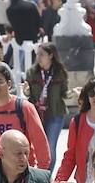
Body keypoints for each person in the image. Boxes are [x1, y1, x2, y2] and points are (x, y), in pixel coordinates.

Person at [0, 64, 50, 170]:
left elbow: (40, 141)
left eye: (0, 82)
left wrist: (43, 172)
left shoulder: (24, 108)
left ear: (9, 84)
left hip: (22, 170)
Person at [23, 43, 69, 171]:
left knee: (50, 146)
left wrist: (75, 95)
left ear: (50, 55)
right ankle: (37, 172)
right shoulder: (31, 73)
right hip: (36, 114)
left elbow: (65, 94)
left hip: (55, 113)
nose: (38, 57)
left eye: (41, 54)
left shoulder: (60, 73)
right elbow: (29, 95)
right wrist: (26, 92)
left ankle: (47, 175)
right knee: (37, 146)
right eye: (37, 54)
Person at [5, 0, 43, 75]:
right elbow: (38, 22)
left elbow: (12, 25)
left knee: (19, 67)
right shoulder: (31, 5)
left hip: (19, 39)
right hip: (32, 39)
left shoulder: (10, 9)